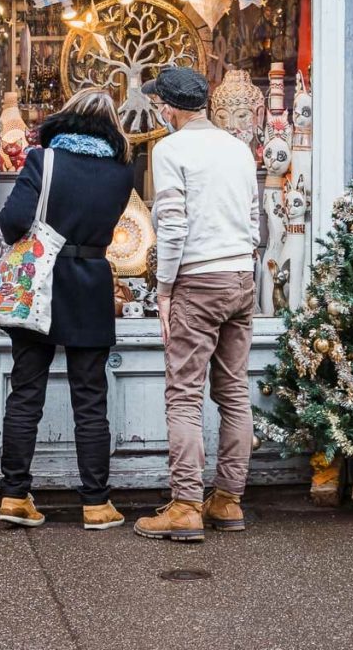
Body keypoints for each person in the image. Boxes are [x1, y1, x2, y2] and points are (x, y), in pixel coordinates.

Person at [0, 88, 134, 531]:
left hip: (41, 284)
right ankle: (96, 504)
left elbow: (13, 221)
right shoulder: (121, 173)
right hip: (92, 284)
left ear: (67, 117)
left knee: (26, 393)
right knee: (91, 399)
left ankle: (15, 496)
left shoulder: (43, 160)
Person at [133, 67, 260, 542]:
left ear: (169, 108)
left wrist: (164, 290)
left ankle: (186, 505)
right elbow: (253, 218)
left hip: (197, 279)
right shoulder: (238, 148)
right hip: (240, 276)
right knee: (233, 390)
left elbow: (171, 225)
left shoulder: (169, 149)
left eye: (160, 106)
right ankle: (228, 500)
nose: (160, 113)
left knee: (184, 393)